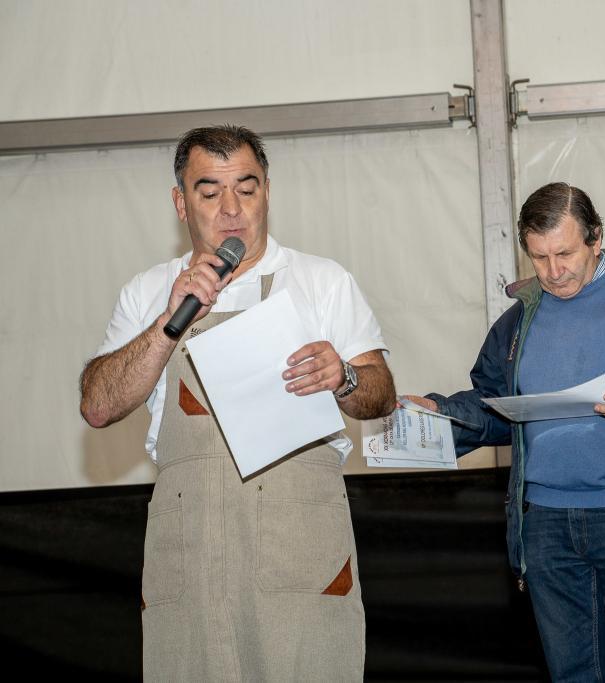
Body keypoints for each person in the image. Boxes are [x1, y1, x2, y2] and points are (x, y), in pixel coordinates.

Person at [80, 125, 395, 680]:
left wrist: (344, 376)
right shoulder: (149, 291)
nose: (231, 209)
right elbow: (98, 406)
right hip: (192, 551)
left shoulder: (320, 280)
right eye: (210, 192)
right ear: (181, 203)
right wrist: (167, 324)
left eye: (246, 190)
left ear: (267, 192)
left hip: (300, 551)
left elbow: (382, 396)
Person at [406, 182, 605, 682]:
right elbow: (493, 404)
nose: (553, 271)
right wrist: (437, 412)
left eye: (565, 253)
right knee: (571, 674)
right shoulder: (518, 320)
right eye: (539, 258)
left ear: (596, 239)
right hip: (544, 524)